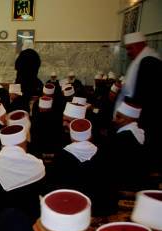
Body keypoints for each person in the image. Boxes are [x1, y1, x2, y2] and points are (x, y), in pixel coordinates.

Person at [47, 119, 116, 215]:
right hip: (99, 205)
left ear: (71, 136)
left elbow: (55, 182)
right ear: (90, 136)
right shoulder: (104, 153)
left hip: (72, 205)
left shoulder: (62, 155)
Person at [115, 32, 162, 172]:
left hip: (146, 116)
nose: (129, 53)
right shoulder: (142, 60)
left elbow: (143, 93)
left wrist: (127, 111)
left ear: (141, 45)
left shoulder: (149, 61)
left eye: (130, 48)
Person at [106, 101, 150, 191]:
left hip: (125, 185)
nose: (114, 120)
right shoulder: (140, 132)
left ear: (130, 119)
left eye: (118, 117)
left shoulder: (122, 138)